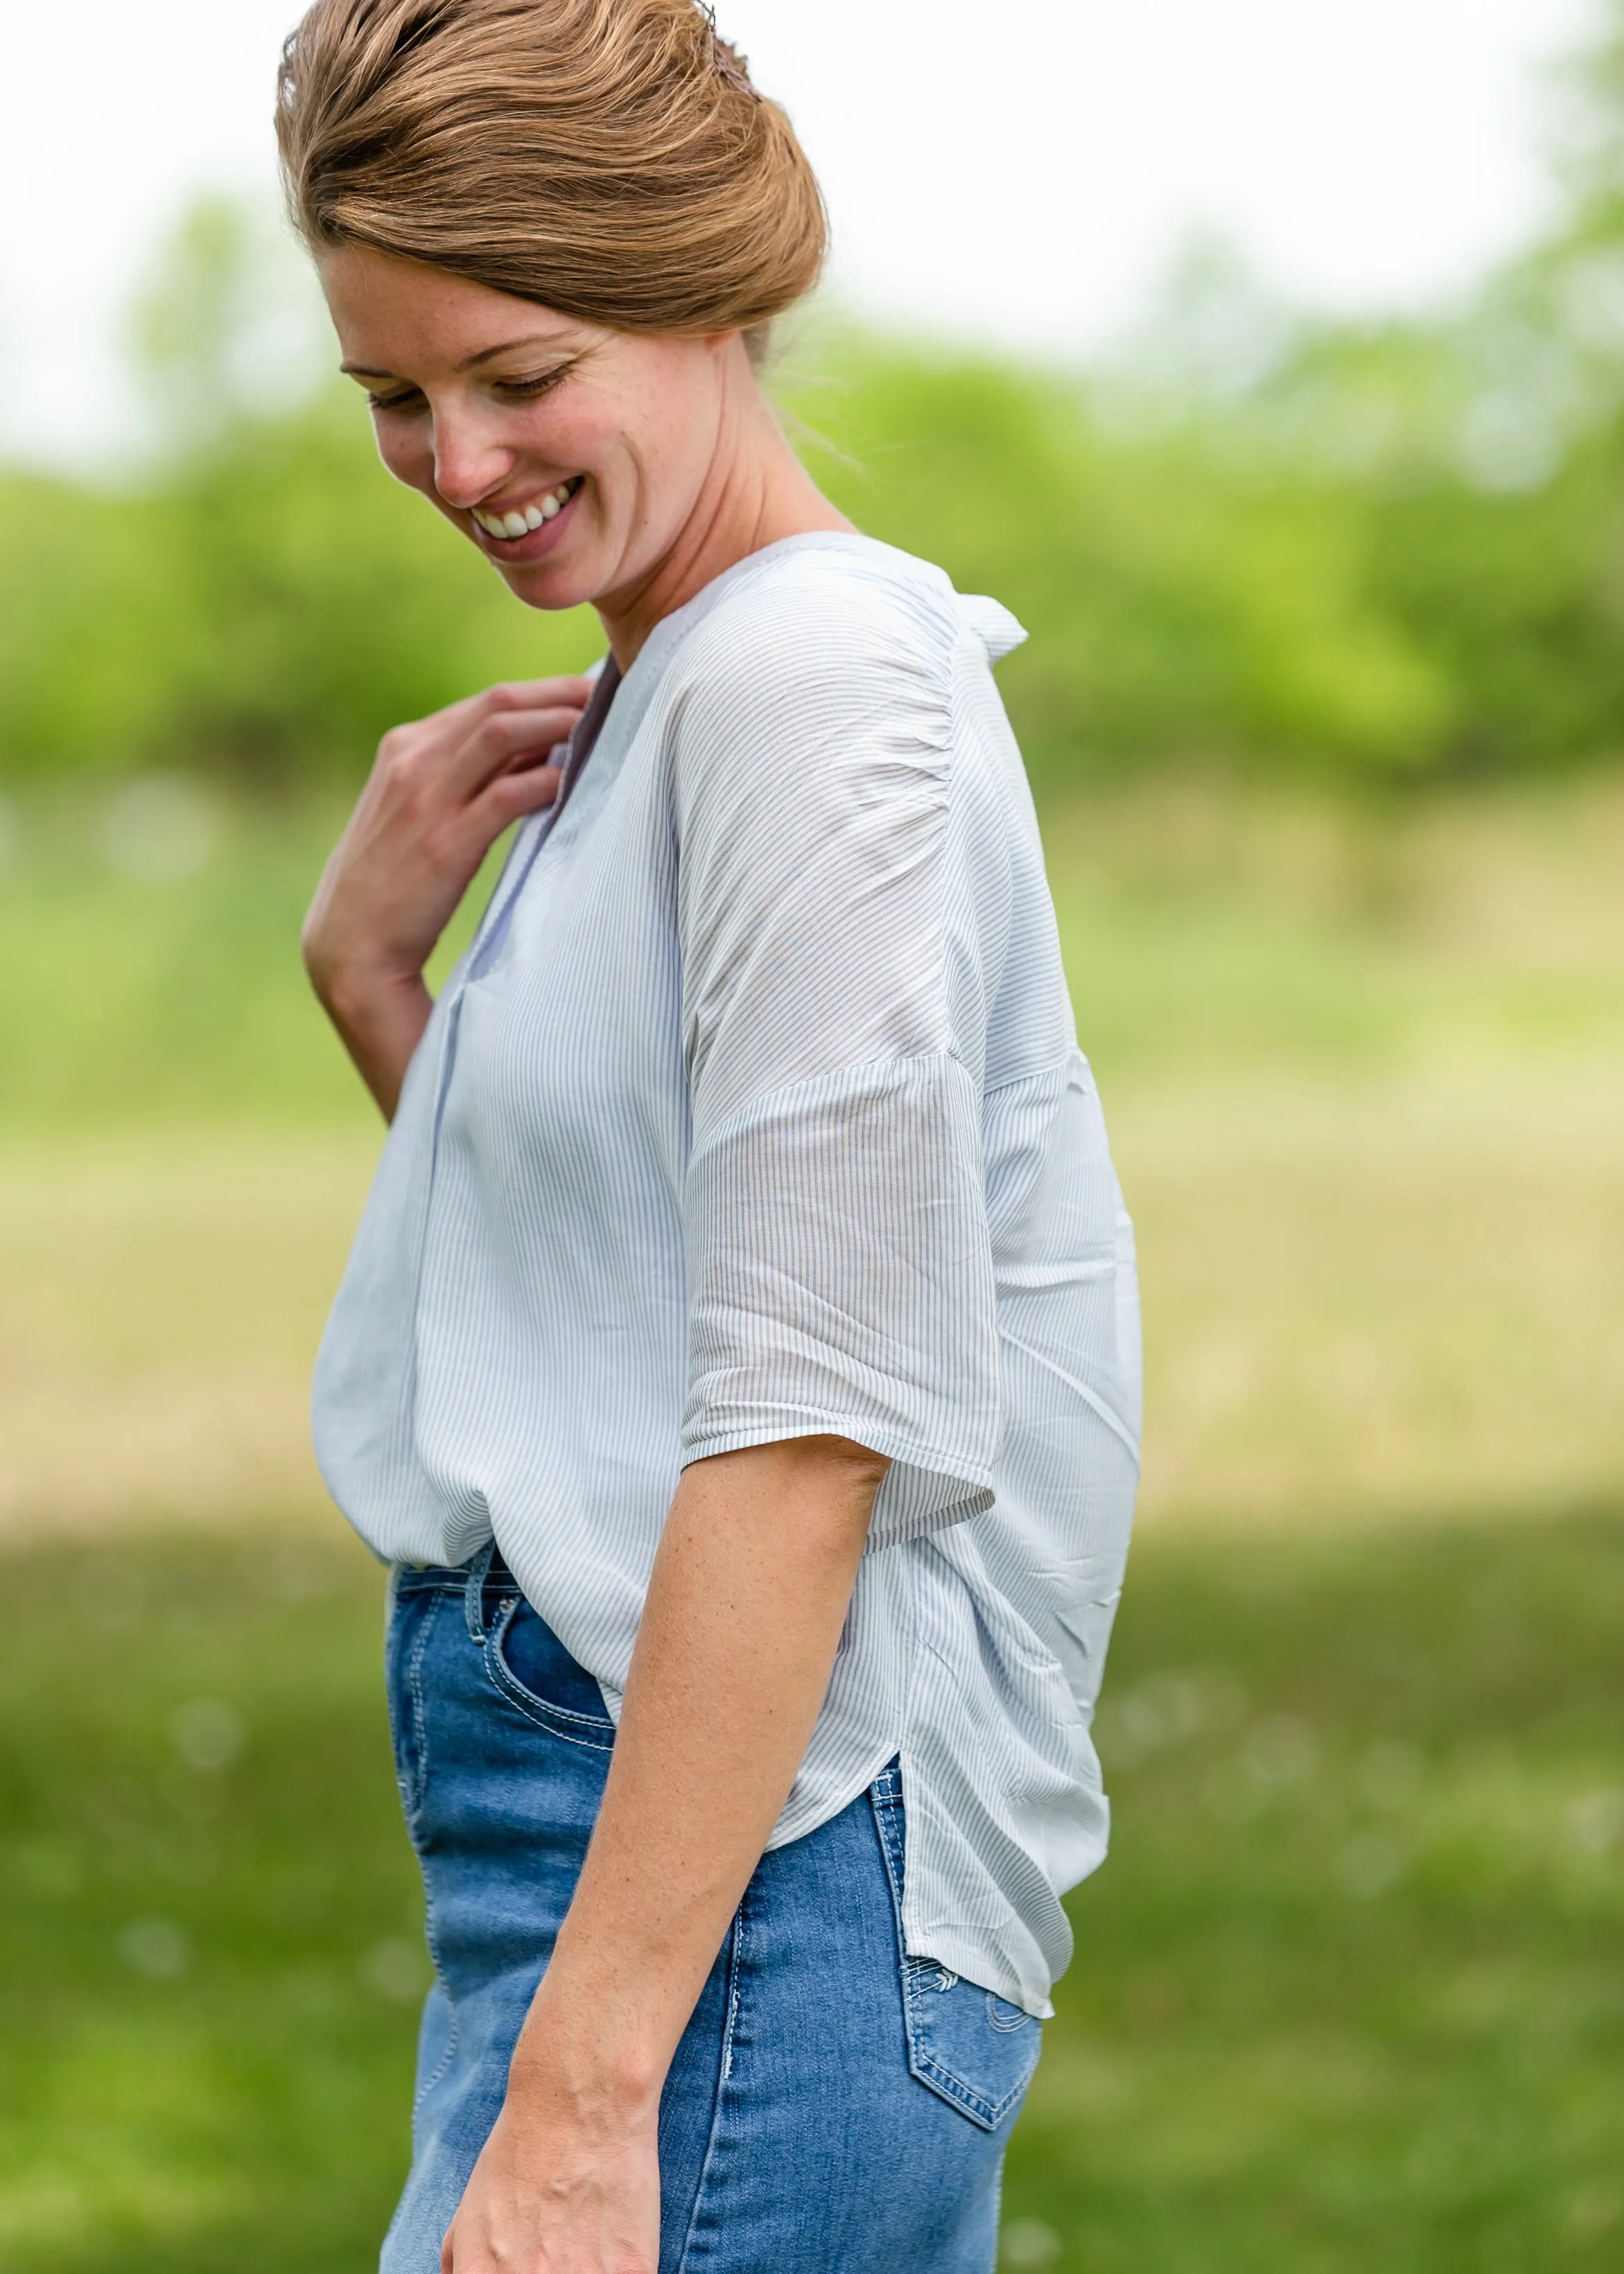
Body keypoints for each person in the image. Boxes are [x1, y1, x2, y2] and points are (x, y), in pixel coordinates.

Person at [277, 2, 1142, 2267]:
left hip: (744, 1909)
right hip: (641, 1879)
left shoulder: (799, 681)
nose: (455, 462)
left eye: (514, 371)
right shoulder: (682, 680)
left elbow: (808, 1414)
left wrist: (580, 2109)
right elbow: (623, 1305)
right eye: (392, 395)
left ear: (708, 293)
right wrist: (380, 988)